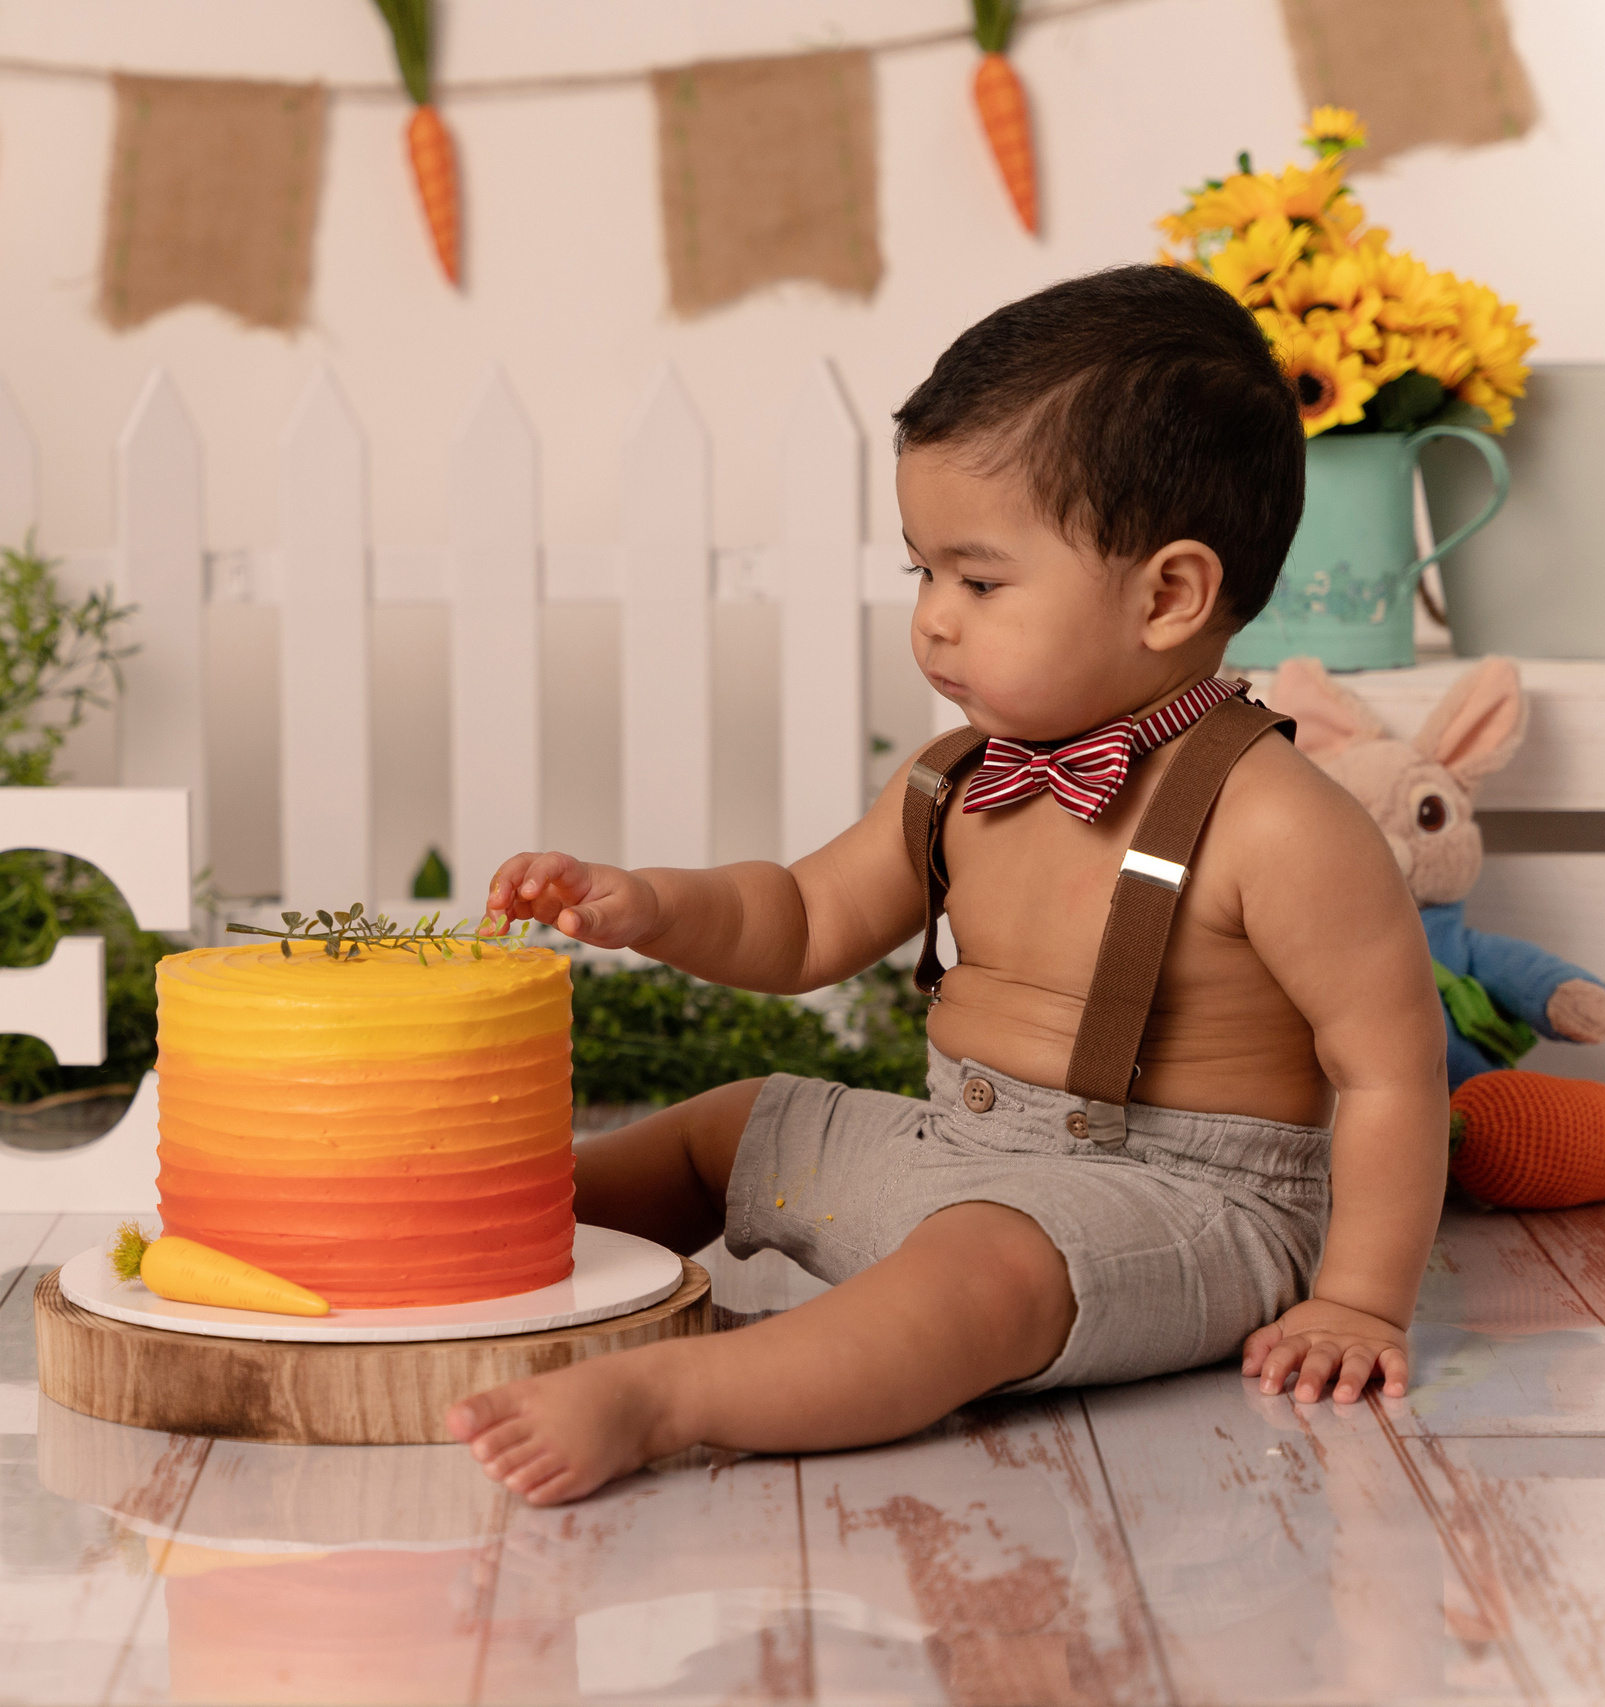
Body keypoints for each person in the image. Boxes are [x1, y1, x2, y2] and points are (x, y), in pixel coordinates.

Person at [448, 265, 1449, 1507]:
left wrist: (1355, 1296)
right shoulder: (954, 780)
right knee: (731, 1123)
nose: (933, 620)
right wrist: (649, 903)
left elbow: (1390, 1072)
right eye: (922, 573)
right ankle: (464, 1246)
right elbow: (802, 920)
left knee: (980, 1274)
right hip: (955, 1144)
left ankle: (669, 1399)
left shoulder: (1279, 822)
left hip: (1179, 1201)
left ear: (1169, 595)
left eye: (978, 582)